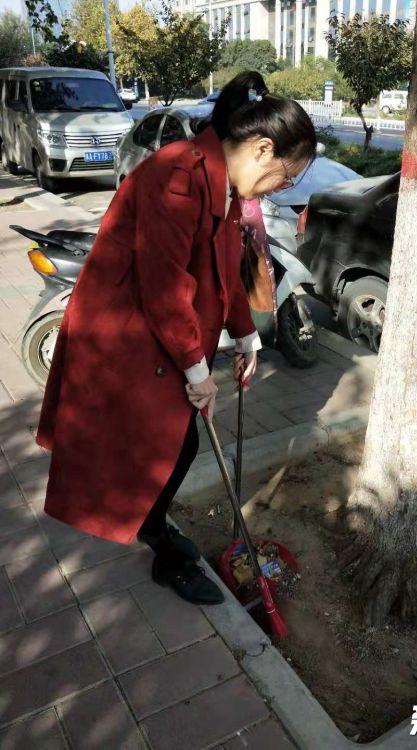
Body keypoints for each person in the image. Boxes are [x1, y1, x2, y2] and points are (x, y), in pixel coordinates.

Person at [36, 72, 317, 606]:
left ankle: (154, 527)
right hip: (132, 335)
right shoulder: (178, 175)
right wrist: (197, 370)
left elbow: (224, 268)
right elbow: (164, 286)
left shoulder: (222, 184)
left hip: (167, 336)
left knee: (178, 442)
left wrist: (246, 337)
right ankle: (160, 544)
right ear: (262, 148)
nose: (279, 189)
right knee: (164, 443)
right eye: (285, 178)